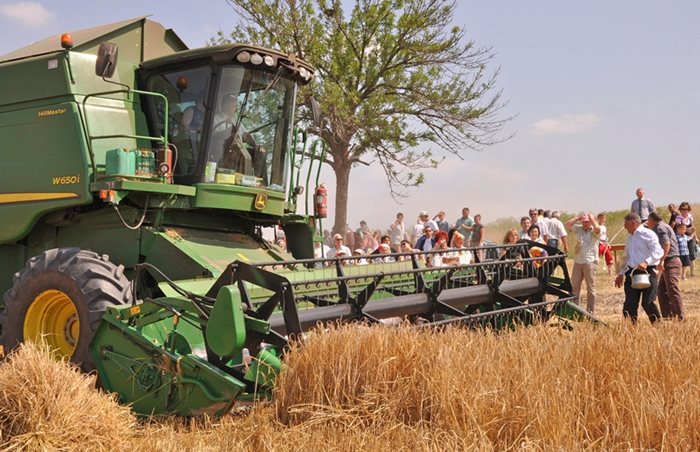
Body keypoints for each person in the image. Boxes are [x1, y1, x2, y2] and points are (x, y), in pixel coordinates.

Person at [614, 213, 663, 324]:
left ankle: (658, 326)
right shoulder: (629, 238)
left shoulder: (648, 234)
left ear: (633, 223)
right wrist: (621, 274)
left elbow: (659, 251)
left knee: (648, 303)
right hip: (631, 273)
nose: (624, 226)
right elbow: (626, 258)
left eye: (626, 224)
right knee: (629, 304)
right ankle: (631, 329)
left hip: (648, 272)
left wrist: (646, 262)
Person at [215, 94, 267, 179]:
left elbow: (245, 135)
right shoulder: (216, 119)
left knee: (261, 153)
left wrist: (256, 145)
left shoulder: (235, 119)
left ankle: (259, 181)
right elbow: (214, 136)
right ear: (225, 105)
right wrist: (228, 132)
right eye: (233, 106)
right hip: (223, 151)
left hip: (238, 150)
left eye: (236, 106)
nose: (236, 109)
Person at [646, 212, 684, 320]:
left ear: (653, 220)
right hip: (669, 261)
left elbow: (666, 244)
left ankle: (681, 317)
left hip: (670, 261)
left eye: (648, 221)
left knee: (672, 289)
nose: (648, 223)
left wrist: (661, 260)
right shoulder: (665, 226)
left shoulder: (660, 228)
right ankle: (668, 317)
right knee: (661, 290)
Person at [565, 213, 601, 313]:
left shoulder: (593, 230)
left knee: (590, 287)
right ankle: (575, 310)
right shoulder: (579, 228)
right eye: (584, 221)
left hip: (590, 261)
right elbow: (567, 225)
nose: (585, 223)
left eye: (587, 221)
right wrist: (577, 217)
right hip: (578, 261)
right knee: (574, 286)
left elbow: (597, 228)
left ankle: (590, 311)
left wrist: (592, 219)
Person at [674, 201, 696, 277]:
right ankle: (681, 274)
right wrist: (687, 230)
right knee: (682, 254)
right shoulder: (678, 217)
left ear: (688, 209)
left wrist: (696, 237)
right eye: (682, 209)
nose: (684, 210)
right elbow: (679, 228)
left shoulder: (690, 216)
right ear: (680, 209)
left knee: (692, 254)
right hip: (681, 237)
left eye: (686, 209)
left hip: (691, 236)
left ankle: (692, 273)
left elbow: (693, 227)